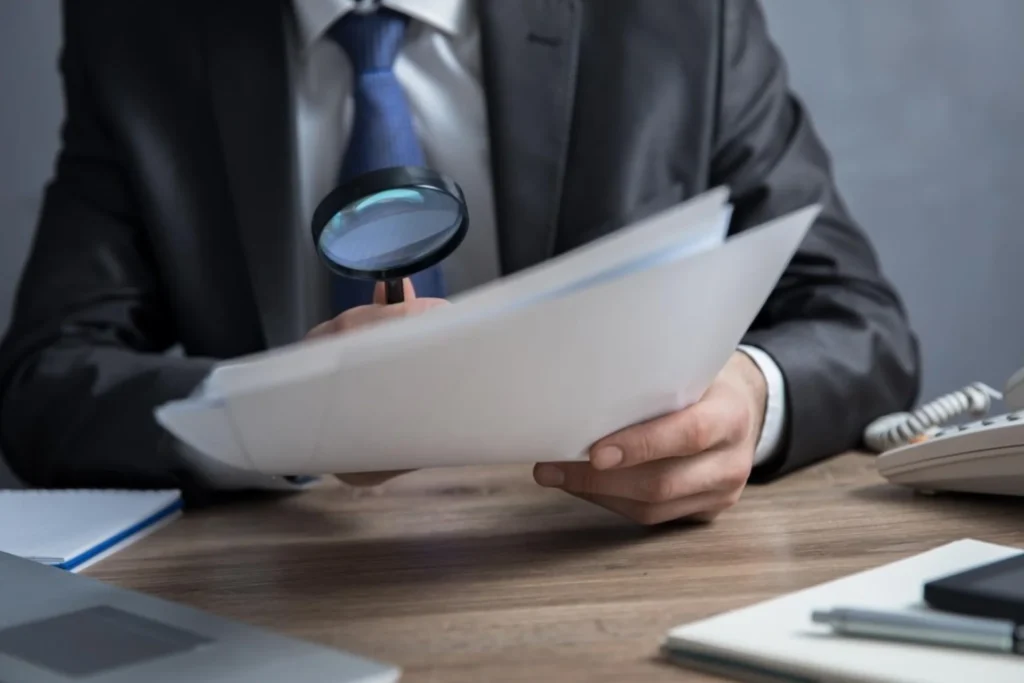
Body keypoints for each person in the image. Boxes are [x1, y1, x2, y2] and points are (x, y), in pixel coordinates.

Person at [0, 0, 919, 524]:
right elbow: (46, 383)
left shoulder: (677, 18)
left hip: (599, 558)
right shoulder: (140, 28)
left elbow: (860, 323)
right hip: (292, 586)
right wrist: (282, 412)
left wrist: (747, 402)